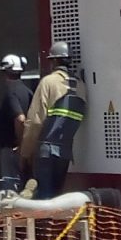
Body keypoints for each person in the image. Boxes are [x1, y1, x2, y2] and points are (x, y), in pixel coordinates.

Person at [21, 45, 87, 199]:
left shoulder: (48, 82)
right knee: (57, 197)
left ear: (54, 61)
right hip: (65, 153)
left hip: (45, 151)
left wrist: (25, 153)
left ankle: (44, 223)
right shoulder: (80, 85)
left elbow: (35, 121)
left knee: (44, 196)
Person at [0, 52, 32, 189]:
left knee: (10, 187)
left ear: (6, 73)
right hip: (24, 148)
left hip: (11, 148)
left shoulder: (11, 93)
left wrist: (19, 145)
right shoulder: (27, 91)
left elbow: (20, 119)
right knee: (22, 183)